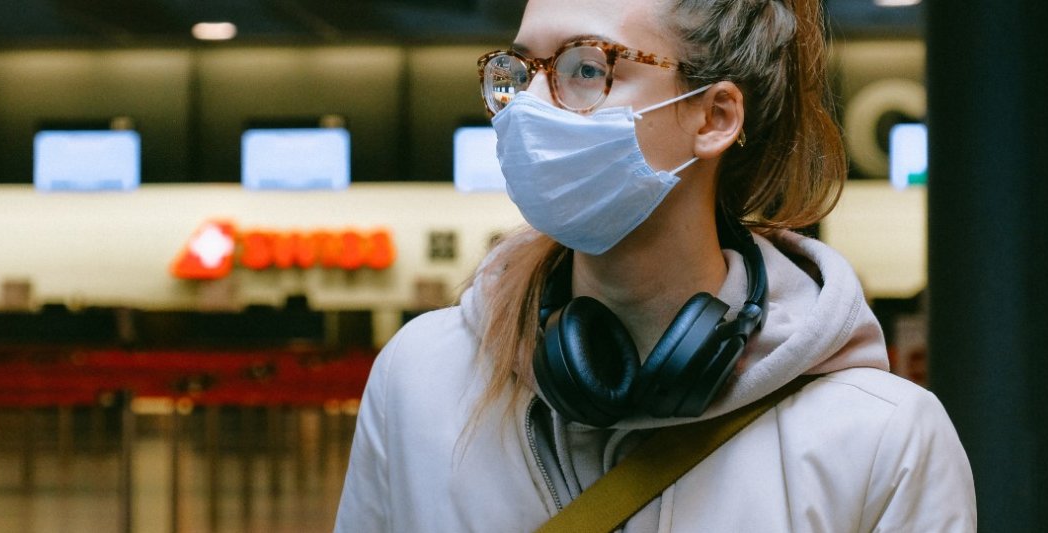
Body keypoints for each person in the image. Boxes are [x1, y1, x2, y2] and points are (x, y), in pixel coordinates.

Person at [335, 0, 976, 531]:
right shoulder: (418, 379)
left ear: (715, 116)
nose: (528, 104)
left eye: (586, 68)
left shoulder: (882, 439)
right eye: (520, 69)